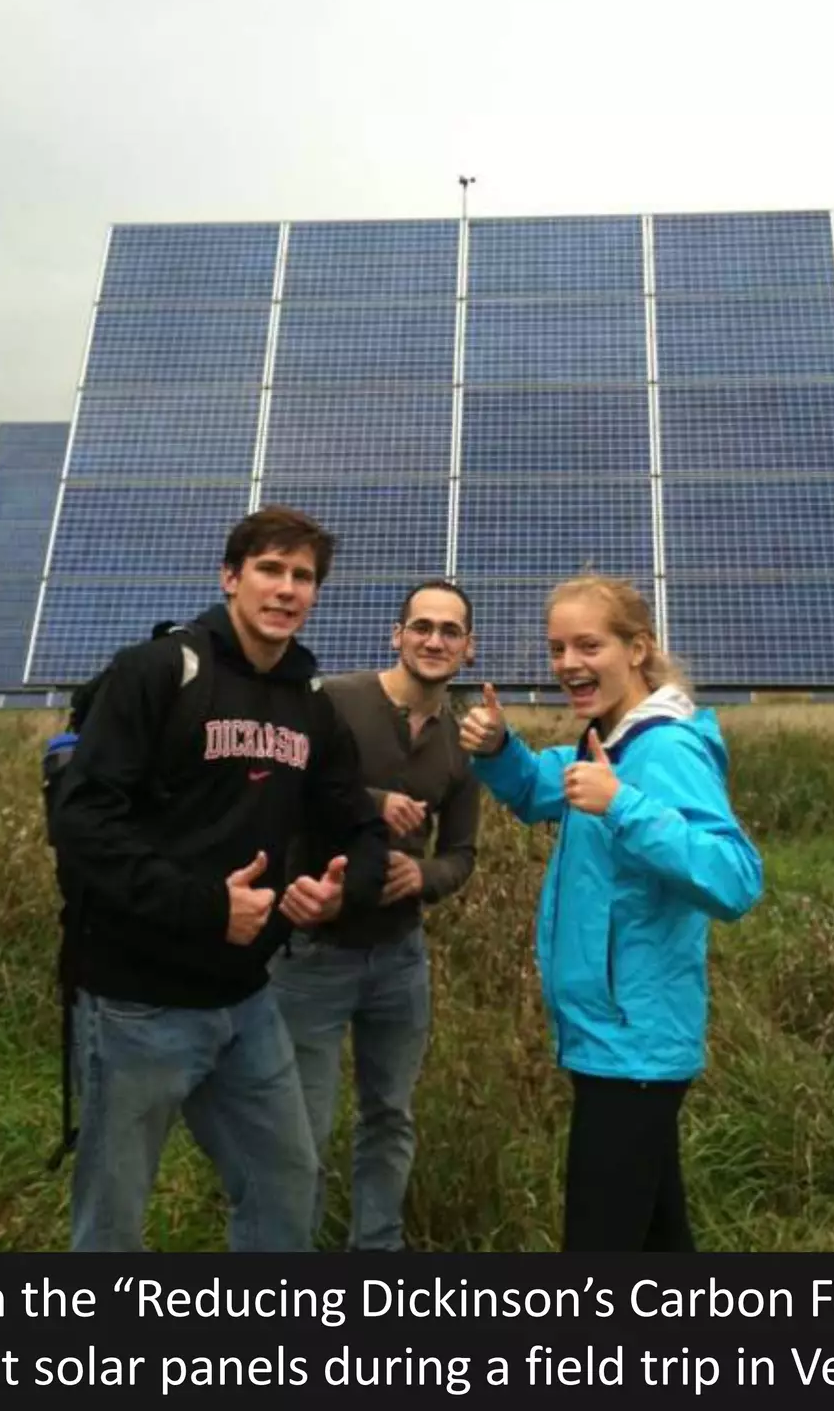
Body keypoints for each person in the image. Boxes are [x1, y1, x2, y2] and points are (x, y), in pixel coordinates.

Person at [47, 505, 390, 1252]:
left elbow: (359, 826)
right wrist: (206, 908)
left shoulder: (310, 706)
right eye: (270, 569)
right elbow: (82, 824)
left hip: (246, 1000)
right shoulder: (160, 673)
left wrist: (341, 891)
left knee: (284, 1189)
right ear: (231, 577)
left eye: (303, 577)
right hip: (135, 1002)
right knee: (112, 1223)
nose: (286, 589)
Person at [457, 575, 762, 1251]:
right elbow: (545, 789)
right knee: (656, 1236)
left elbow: (735, 878)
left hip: (636, 1043)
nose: (568, 663)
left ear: (637, 649)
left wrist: (623, 804)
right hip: (613, 1036)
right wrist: (500, 750)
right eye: (557, 647)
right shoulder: (613, 741)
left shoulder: (663, 747)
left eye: (588, 644)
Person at [271, 580, 481, 1251]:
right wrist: (370, 801)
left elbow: (462, 853)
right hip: (313, 957)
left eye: (450, 631)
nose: (434, 640)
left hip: (399, 958)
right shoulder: (336, 702)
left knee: (389, 1116)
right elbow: (280, 784)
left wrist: (423, 877)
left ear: (468, 649)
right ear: (396, 635)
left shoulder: (460, 742)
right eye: (422, 626)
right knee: (301, 1126)